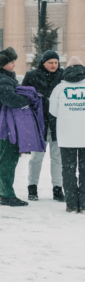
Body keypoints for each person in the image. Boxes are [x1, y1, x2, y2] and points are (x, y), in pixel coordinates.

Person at [0, 47, 30, 207]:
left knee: (3, 157)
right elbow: (8, 98)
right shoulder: (2, 79)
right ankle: (6, 195)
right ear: (4, 64)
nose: (14, 65)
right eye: (12, 62)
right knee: (8, 158)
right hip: (5, 125)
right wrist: (27, 100)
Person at [22, 50, 64, 202]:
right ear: (43, 63)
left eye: (56, 62)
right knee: (36, 158)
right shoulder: (32, 75)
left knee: (57, 158)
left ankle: (57, 189)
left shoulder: (63, 76)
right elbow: (23, 96)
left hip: (57, 123)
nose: (53, 65)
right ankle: (32, 187)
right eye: (50, 62)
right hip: (37, 123)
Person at [49, 56, 85, 213]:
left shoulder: (59, 89)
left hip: (66, 135)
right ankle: (83, 205)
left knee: (68, 169)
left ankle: (71, 204)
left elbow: (53, 111)